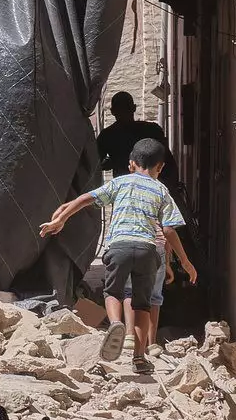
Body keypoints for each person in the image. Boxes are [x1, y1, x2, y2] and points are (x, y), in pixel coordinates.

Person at [39, 139, 197, 373]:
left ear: (131, 164)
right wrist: (185, 261)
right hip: (147, 250)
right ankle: (139, 359)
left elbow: (86, 199)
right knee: (142, 305)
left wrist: (61, 218)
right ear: (160, 167)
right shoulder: (161, 189)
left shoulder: (120, 183)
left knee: (113, 292)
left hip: (119, 247)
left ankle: (116, 324)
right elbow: (168, 230)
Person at [95, 92, 167, 178]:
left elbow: (95, 163)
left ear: (112, 111)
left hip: (123, 183)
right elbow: (166, 160)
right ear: (134, 108)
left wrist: (114, 162)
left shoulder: (107, 135)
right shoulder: (152, 130)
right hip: (150, 182)